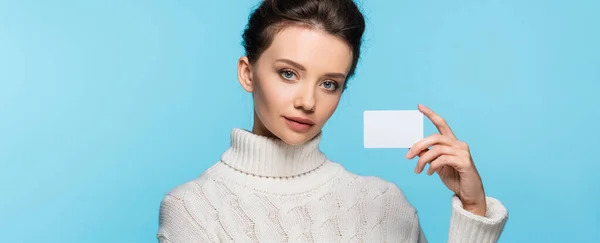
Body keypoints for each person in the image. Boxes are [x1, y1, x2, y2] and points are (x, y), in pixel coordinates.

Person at [156, 0, 508, 242]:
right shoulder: (195, 208)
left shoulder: (384, 203)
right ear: (248, 74)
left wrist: (473, 209)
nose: (307, 102)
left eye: (329, 84)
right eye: (288, 73)